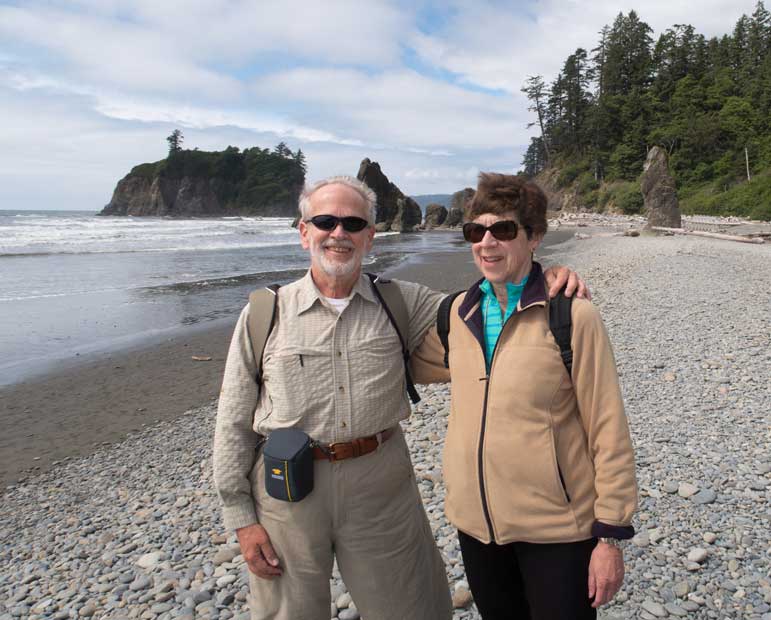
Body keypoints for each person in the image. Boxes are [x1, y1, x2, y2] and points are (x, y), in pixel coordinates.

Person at [212, 175, 586, 620]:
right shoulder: (264, 313)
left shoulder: (401, 302)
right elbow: (233, 420)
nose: (338, 233)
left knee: (413, 608)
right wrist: (241, 518)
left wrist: (546, 276)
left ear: (370, 236)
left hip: (381, 485)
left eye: (353, 223)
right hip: (287, 492)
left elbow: (490, 303)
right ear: (304, 232)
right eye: (326, 221)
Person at [411, 173, 638, 620]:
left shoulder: (571, 315)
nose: (487, 243)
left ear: (533, 237)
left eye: (503, 229)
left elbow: (608, 427)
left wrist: (610, 535)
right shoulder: (457, 314)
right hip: (477, 529)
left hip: (558, 531)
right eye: (476, 231)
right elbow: (400, 361)